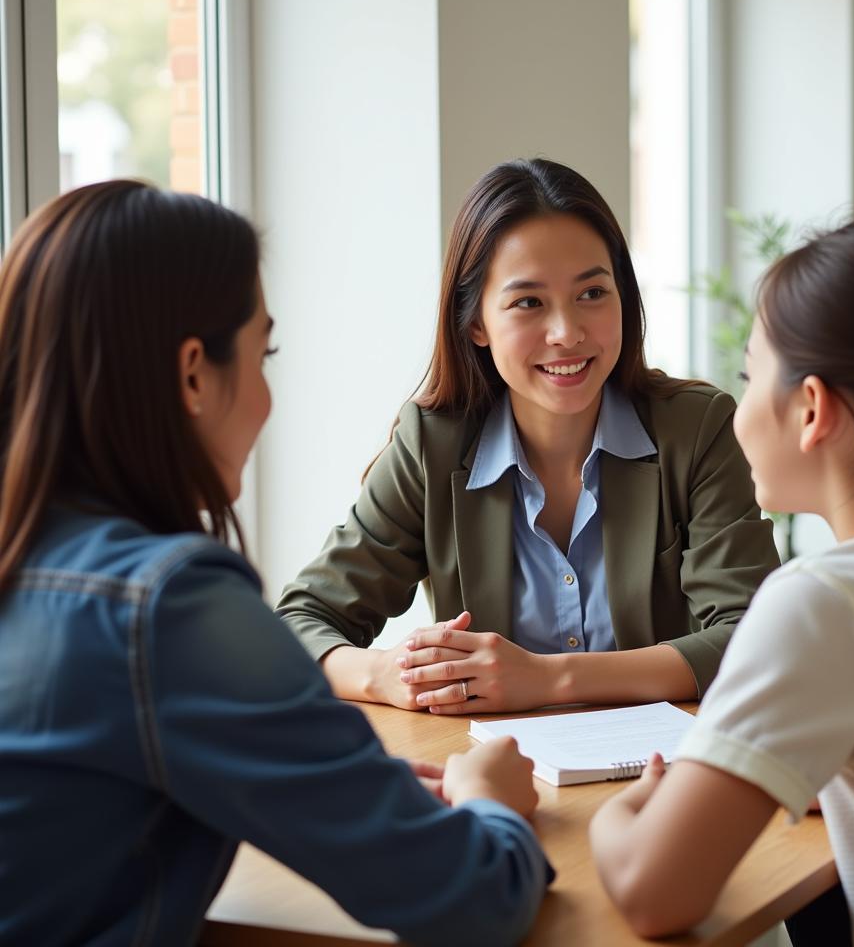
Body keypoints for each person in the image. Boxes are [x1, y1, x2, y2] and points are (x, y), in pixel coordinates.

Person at [0, 180, 552, 947]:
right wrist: (490, 798)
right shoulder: (166, 607)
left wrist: (348, 781)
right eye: (265, 354)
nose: (266, 397)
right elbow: (474, 898)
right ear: (194, 373)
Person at [589, 210, 854, 945]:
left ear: (813, 408)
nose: (738, 412)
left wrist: (623, 809)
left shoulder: (829, 604)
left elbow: (649, 892)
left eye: (750, 375)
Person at [276, 158, 779, 714]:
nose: (567, 332)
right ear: (476, 323)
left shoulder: (697, 428)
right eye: (528, 303)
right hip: (496, 774)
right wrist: (384, 675)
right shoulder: (432, 446)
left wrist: (549, 679)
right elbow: (300, 622)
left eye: (592, 293)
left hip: (665, 776)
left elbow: (753, 640)